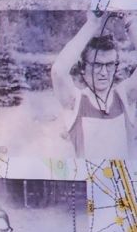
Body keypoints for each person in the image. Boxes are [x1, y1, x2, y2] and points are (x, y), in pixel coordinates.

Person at [52, 13, 137, 162]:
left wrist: (130, 20)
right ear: (84, 67)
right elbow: (58, 71)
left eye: (109, 64)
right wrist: (92, 23)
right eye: (97, 65)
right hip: (88, 180)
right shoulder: (75, 101)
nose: (103, 72)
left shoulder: (125, 97)